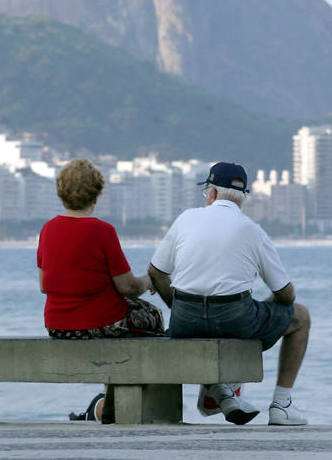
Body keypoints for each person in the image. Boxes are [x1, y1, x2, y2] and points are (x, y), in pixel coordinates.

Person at [148, 162, 311, 426]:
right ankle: (281, 405)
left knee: (202, 324)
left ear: (212, 193)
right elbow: (286, 294)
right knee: (300, 316)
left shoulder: (186, 219)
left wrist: (177, 307)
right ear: (242, 198)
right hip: (235, 320)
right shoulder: (253, 231)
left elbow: (156, 273)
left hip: (185, 321)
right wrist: (271, 303)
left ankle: (220, 390)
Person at [38, 159, 164, 422]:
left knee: (128, 320)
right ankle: (115, 397)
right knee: (152, 316)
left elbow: (43, 284)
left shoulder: (48, 229)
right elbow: (128, 287)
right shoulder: (102, 230)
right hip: (98, 323)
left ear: (61, 193)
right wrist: (150, 281)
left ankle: (106, 401)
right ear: (96, 194)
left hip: (58, 326)